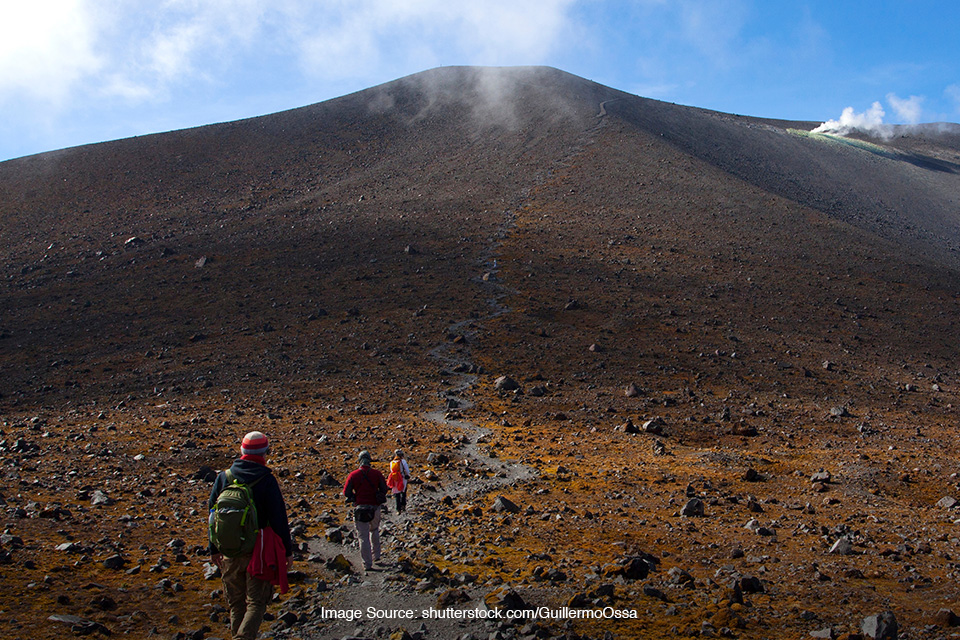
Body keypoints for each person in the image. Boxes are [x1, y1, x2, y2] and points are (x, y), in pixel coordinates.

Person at [209, 431, 293, 640]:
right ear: (265, 453)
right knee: (256, 602)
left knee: (236, 604)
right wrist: (286, 551)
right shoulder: (266, 480)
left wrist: (214, 548)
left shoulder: (224, 477)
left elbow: (213, 516)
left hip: (230, 550)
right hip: (259, 551)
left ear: (242, 450)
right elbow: (278, 518)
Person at [343, 450, 388, 571]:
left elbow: (346, 492)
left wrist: (354, 498)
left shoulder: (353, 475)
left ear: (359, 461)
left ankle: (367, 563)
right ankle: (376, 556)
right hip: (375, 507)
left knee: (363, 536)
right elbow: (384, 489)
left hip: (360, 508)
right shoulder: (377, 474)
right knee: (374, 530)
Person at [386, 449, 411, 514]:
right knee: (403, 492)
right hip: (402, 478)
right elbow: (407, 470)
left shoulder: (392, 462)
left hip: (395, 479)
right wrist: (408, 476)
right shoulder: (403, 461)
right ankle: (403, 505)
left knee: (397, 494)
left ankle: (398, 509)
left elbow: (391, 471)